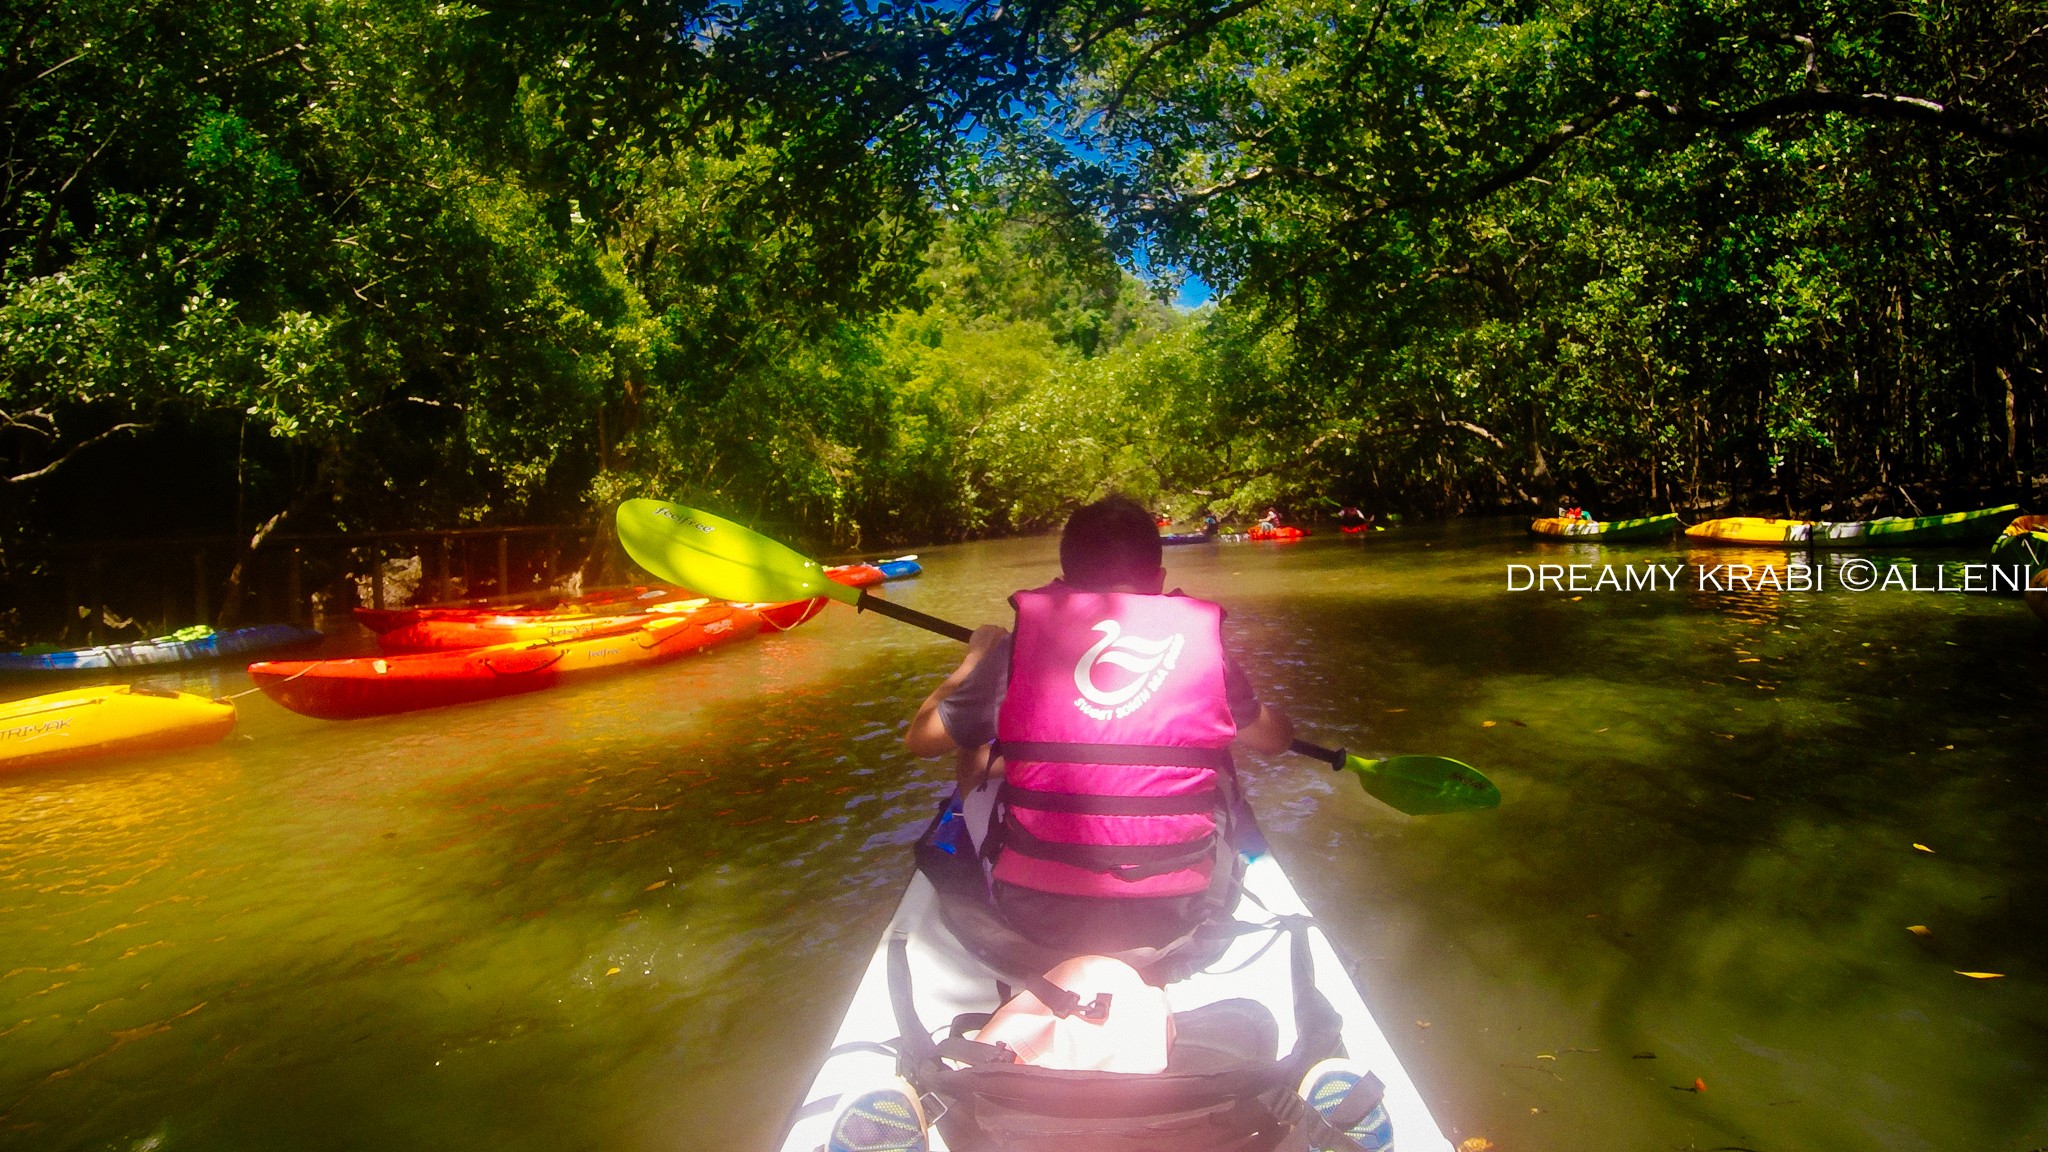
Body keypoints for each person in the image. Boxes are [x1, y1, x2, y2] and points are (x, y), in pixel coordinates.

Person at [903, 495, 1293, 956]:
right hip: (1179, 912)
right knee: (1219, 751)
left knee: (973, 744)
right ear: (1160, 579)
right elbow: (1273, 740)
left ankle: (990, 818)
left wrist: (975, 659)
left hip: (1037, 913)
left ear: (1065, 580)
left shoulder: (1018, 645)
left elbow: (922, 738)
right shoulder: (1203, 642)